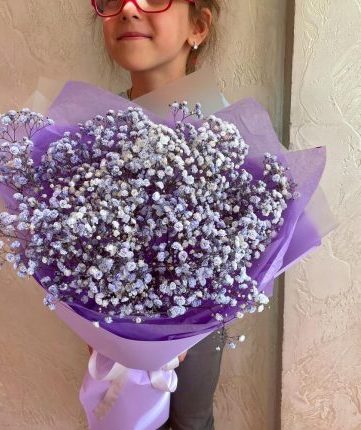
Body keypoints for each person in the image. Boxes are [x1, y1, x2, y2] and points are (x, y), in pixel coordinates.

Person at [87, 1, 229, 429]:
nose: (129, 9)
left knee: (191, 420)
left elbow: (243, 245)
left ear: (198, 27)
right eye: (113, 0)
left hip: (199, 325)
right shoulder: (91, 128)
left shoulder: (223, 129)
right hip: (111, 328)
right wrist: (99, 323)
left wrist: (183, 328)